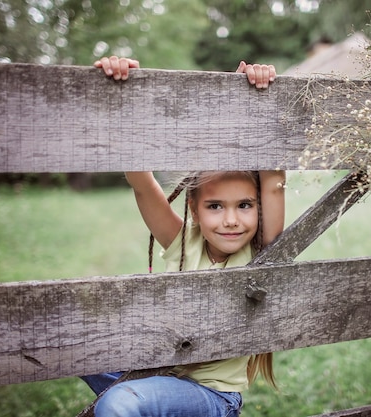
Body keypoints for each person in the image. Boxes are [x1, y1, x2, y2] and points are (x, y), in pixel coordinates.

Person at [81, 56, 285, 417]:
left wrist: (254, 99)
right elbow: (142, 183)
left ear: (259, 208)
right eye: (215, 207)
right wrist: (127, 93)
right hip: (161, 370)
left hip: (212, 396)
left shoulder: (261, 249)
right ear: (194, 207)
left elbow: (273, 180)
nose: (232, 220)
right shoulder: (183, 241)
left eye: (245, 205)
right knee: (70, 337)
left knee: (119, 404)